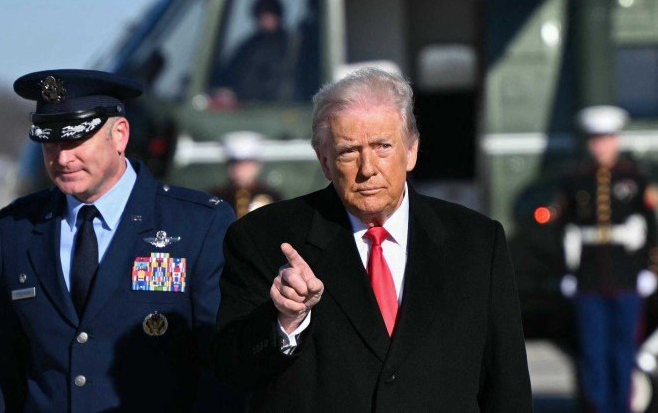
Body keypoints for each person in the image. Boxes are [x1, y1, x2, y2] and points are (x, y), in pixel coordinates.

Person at [212, 67, 533, 412]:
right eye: (349, 151)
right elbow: (231, 371)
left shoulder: (477, 243)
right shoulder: (264, 239)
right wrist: (285, 321)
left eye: (382, 146)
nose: (367, 168)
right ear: (324, 161)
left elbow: (507, 387)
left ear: (411, 151)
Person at [0, 69, 243, 412]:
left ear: (119, 135)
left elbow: (222, 367)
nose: (62, 158)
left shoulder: (197, 224)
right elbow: (0, 365)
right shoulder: (18, 227)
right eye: (50, 142)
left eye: (75, 140)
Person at [556, 105, 658, 413]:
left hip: (626, 275)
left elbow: (650, 228)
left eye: (607, 139)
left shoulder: (633, 178)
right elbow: (564, 228)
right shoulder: (575, 180)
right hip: (589, 277)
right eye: (596, 140)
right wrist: (567, 271)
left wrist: (650, 269)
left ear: (617, 141)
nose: (601, 146)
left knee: (623, 351)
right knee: (593, 352)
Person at [214, 0, 293, 103]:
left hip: (272, 106)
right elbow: (230, 73)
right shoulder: (248, 47)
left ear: (278, 14)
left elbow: (278, 83)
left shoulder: (291, 46)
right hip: (243, 106)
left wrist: (239, 94)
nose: (266, 18)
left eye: (270, 12)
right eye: (262, 13)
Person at [209, 131, 281, 219]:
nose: (241, 168)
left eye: (247, 162)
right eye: (234, 162)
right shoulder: (216, 196)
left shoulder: (272, 196)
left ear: (257, 165)